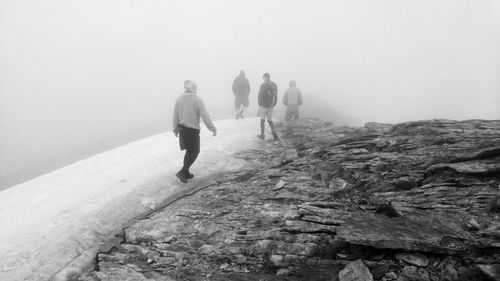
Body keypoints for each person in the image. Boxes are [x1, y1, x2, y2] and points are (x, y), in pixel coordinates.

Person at [172, 80, 217, 183]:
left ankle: (186, 172)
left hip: (182, 129)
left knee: (189, 151)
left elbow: (175, 115)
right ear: (194, 88)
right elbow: (205, 116)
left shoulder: (179, 99)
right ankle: (183, 172)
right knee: (194, 151)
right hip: (192, 130)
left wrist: (175, 129)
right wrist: (212, 128)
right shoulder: (197, 100)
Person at [257, 72, 279, 142]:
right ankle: (274, 134)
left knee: (262, 120)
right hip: (271, 105)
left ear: (264, 78)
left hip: (264, 105)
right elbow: (276, 94)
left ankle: (262, 135)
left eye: (264, 77)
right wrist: (274, 103)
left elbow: (260, 95)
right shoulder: (274, 85)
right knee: (269, 120)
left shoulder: (263, 85)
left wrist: (260, 103)